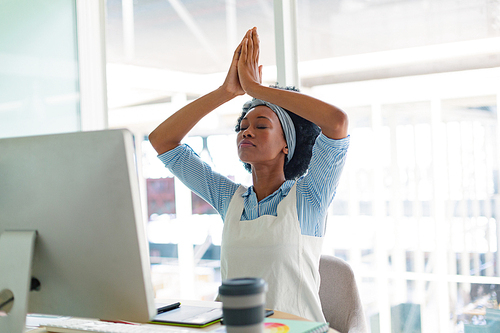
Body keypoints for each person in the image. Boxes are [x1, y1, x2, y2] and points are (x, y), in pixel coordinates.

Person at [149, 27, 349, 322]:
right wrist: (225, 92)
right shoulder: (229, 199)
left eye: (261, 125)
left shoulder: (309, 197)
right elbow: (163, 142)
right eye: (242, 125)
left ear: (286, 145)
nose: (247, 130)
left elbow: (337, 122)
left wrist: (258, 90)